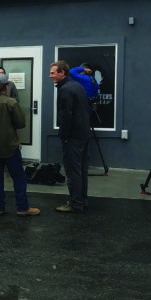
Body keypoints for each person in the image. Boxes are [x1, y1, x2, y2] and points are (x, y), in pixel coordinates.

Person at [0, 73, 40, 217]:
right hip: (10, 146)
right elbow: (21, 123)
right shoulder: (11, 103)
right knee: (18, 177)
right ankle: (22, 207)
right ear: (6, 87)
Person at [50, 60, 92, 213]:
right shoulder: (78, 86)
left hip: (73, 137)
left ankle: (75, 204)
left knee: (73, 172)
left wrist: (64, 135)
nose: (50, 76)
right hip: (84, 134)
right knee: (82, 171)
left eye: (53, 73)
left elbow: (66, 115)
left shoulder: (65, 89)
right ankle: (82, 201)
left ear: (62, 73)